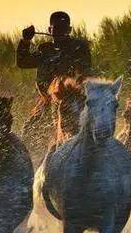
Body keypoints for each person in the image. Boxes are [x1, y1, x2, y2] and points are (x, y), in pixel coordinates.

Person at [16, 11, 92, 146]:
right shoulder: (45, 50)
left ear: (69, 30)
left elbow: (86, 72)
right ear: (49, 30)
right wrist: (25, 41)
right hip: (48, 101)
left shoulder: (79, 47)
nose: (59, 32)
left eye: (63, 29)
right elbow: (22, 62)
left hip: (77, 99)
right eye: (56, 28)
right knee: (30, 129)